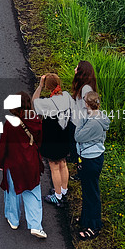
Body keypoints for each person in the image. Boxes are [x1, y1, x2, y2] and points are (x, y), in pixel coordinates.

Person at [0, 92, 47, 238]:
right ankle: (36, 225)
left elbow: (3, 145)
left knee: (12, 191)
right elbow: (39, 141)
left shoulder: (10, 123)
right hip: (31, 162)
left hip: (13, 163)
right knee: (33, 192)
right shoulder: (35, 120)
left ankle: (14, 220)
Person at [32, 73, 73, 207]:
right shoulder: (67, 96)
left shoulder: (47, 103)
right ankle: (64, 190)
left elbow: (34, 102)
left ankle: (57, 196)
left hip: (52, 139)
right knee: (63, 163)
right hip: (65, 137)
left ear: (48, 87)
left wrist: (40, 86)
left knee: (54, 167)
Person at [75, 91, 110, 240]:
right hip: (94, 157)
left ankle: (94, 226)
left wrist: (79, 122)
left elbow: (78, 136)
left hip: (90, 159)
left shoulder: (93, 122)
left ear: (88, 104)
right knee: (87, 191)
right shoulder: (99, 116)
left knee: (92, 193)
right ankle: (86, 219)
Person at [69, 60, 98, 165]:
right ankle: (75, 160)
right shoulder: (83, 86)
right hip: (76, 121)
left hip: (79, 123)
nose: (75, 70)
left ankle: (78, 167)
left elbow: (89, 108)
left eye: (77, 68)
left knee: (78, 147)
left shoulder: (86, 88)